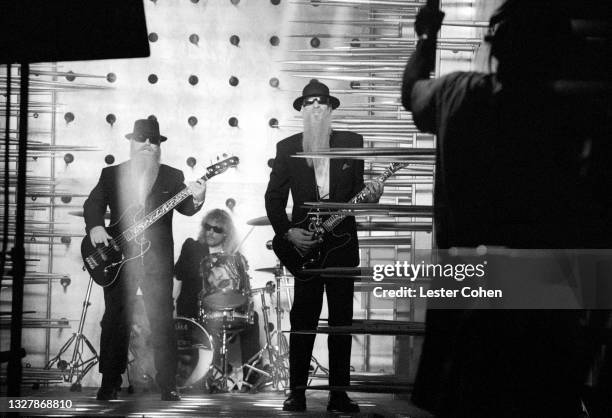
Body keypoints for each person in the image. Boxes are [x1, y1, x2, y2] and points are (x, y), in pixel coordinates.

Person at [401, 2, 603, 417]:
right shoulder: (576, 116)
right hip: (541, 309)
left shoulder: (456, 93)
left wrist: (426, 36)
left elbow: (412, 92)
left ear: (496, 44)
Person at [265, 79, 383, 413]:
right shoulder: (287, 148)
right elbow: (273, 199)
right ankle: (297, 393)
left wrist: (373, 196)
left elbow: (361, 192)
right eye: (309, 103)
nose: (316, 107)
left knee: (341, 323)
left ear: (330, 109)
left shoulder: (352, 143)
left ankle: (338, 395)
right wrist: (288, 233)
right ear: (302, 110)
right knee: (303, 321)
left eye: (322, 103)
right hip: (306, 248)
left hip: (343, 245)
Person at [84, 118, 206, 401]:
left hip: (157, 260)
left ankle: (168, 385)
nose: (149, 144)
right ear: (132, 142)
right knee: (114, 319)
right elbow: (93, 204)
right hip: (117, 259)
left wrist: (199, 197)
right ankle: (110, 381)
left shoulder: (172, 176)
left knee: (162, 321)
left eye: (154, 140)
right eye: (143, 139)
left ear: (159, 146)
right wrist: (95, 226)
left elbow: (187, 208)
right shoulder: (111, 174)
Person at [174, 209, 266, 392]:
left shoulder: (235, 257)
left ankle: (251, 375)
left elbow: (242, 289)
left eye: (216, 229)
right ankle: (206, 376)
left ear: (226, 234)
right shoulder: (192, 246)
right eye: (207, 227)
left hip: (223, 309)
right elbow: (178, 276)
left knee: (252, 317)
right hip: (195, 308)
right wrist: (172, 305)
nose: (210, 232)